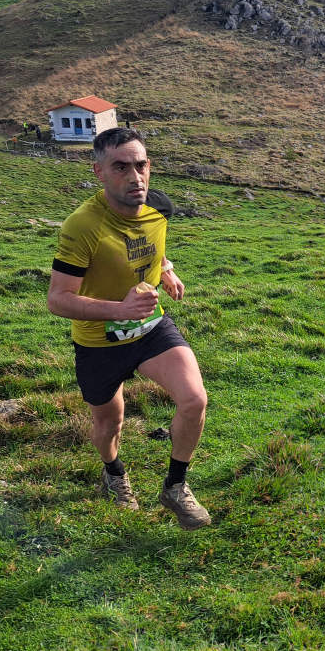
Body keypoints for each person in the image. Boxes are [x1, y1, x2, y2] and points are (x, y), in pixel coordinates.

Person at [47, 126, 211, 529]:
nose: (134, 177)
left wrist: (166, 269)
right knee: (109, 423)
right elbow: (58, 299)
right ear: (99, 172)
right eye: (121, 167)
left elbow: (150, 241)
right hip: (99, 342)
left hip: (151, 327)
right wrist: (118, 308)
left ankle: (175, 487)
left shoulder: (159, 206)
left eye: (140, 165)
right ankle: (115, 474)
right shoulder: (81, 226)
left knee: (194, 400)